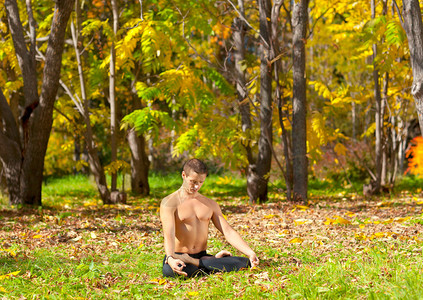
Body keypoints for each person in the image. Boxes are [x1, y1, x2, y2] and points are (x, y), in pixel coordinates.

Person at [160, 158, 259, 278]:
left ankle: (204, 262)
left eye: (201, 182)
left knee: (244, 262)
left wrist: (250, 252)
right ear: (183, 175)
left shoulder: (210, 204)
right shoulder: (169, 202)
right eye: (193, 181)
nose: (196, 186)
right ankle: (212, 263)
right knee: (172, 271)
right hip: (179, 256)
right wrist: (170, 258)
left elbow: (227, 231)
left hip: (201, 256)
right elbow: (169, 233)